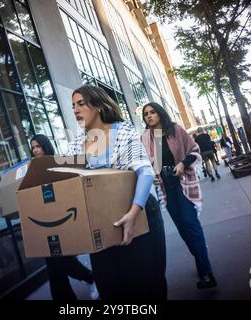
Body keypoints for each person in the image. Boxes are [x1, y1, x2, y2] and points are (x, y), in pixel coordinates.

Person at [68, 85, 167, 300]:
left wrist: (133, 214)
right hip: (102, 223)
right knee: (111, 288)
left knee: (147, 286)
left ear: (98, 105)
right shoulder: (75, 144)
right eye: (73, 105)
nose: (75, 109)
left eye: (81, 104)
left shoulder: (123, 131)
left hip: (139, 214)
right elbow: (70, 183)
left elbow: (145, 172)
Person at [141, 102, 217, 289]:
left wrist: (183, 163)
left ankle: (206, 272)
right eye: (146, 114)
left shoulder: (175, 130)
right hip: (165, 185)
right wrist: (153, 175)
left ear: (160, 113)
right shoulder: (144, 137)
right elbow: (144, 162)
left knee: (190, 223)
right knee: (182, 228)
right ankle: (200, 258)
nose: (149, 116)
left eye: (152, 112)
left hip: (182, 180)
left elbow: (194, 150)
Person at [30, 135, 99, 300]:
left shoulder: (57, 163)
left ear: (46, 146)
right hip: (43, 219)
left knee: (61, 260)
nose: (35, 150)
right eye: (33, 147)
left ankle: (91, 277)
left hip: (61, 218)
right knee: (53, 265)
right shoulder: (32, 169)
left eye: (38, 146)